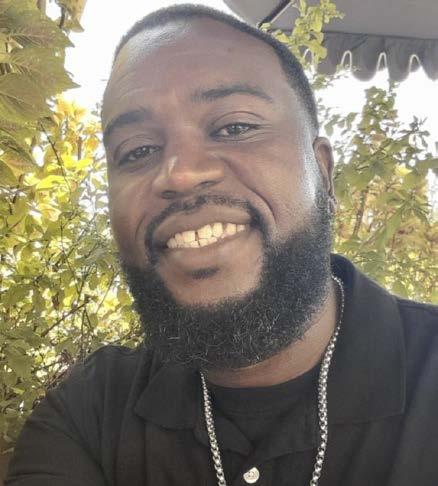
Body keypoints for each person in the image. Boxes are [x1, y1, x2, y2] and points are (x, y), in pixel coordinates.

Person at [5, 4, 438, 486]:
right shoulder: (91, 414)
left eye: (234, 127)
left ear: (322, 171)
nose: (181, 174)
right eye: (138, 151)